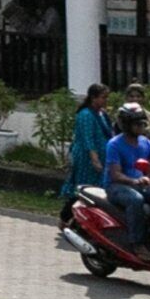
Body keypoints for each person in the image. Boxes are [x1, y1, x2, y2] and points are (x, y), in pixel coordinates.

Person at [101, 102, 150, 257]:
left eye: (142, 122)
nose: (141, 126)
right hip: (116, 186)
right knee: (136, 200)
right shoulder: (114, 144)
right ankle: (137, 243)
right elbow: (115, 174)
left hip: (140, 184)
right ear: (127, 125)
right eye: (137, 123)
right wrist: (134, 181)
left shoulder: (145, 142)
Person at [59, 83, 113, 216]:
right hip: (86, 158)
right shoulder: (86, 115)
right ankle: (67, 217)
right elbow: (88, 139)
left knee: (97, 190)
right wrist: (95, 159)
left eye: (107, 97)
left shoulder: (101, 114)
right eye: (103, 97)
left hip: (101, 157)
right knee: (83, 188)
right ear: (93, 98)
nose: (106, 101)